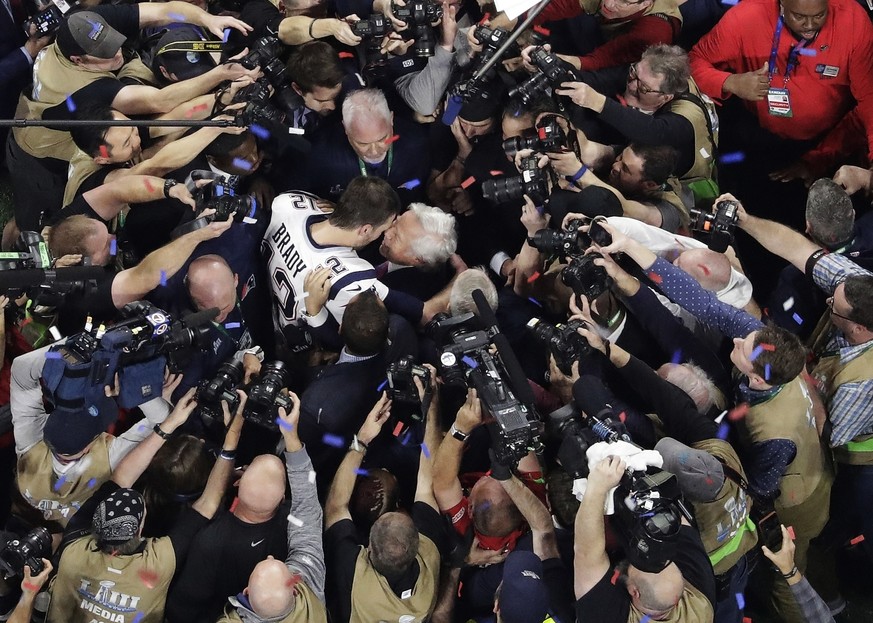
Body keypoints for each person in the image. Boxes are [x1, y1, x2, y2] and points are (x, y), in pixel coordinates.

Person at [596, 219, 832, 623]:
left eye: (742, 348)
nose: (736, 340)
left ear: (757, 379)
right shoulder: (763, 343)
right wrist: (630, 248)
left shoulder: (775, 435)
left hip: (800, 496)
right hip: (792, 448)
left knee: (786, 571)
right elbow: (703, 303)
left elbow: (755, 487)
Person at [6, 5, 255, 230]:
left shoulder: (84, 25)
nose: (116, 52)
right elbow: (161, 112)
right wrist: (220, 78)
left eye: (132, 131)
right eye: (104, 52)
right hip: (36, 151)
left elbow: (164, 11)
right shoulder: (96, 170)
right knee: (32, 225)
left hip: (64, 120)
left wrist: (220, 97)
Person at [728, 193, 873, 567]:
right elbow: (798, 248)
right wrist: (744, 218)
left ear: (857, 326)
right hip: (826, 382)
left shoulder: (862, 383)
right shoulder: (857, 286)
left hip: (858, 456)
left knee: (845, 513)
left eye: (834, 308)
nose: (827, 302)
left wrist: (800, 378)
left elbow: (831, 434)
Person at [47, 388, 244, 623]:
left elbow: (120, 479)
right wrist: (232, 436)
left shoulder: (75, 548)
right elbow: (210, 502)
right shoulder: (158, 565)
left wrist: (168, 425)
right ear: (141, 528)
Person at [688, 0, 873, 177]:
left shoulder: (853, 21)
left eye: (819, 15)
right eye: (799, 16)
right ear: (782, 3)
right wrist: (731, 82)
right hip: (757, 136)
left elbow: (869, 100)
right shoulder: (746, 17)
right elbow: (694, 61)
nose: (809, 25)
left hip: (830, 138)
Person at [9, 346, 176, 534]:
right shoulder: (108, 459)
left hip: (59, 530)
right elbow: (163, 420)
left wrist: (71, 348)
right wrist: (129, 383)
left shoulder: (30, 443)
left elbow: (21, 369)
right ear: (89, 445)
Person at [323, 390, 450, 623]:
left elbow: (335, 506)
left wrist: (362, 440)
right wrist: (431, 406)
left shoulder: (350, 575)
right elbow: (426, 482)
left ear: (367, 547)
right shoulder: (430, 556)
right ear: (417, 545)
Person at [555, 44, 718, 192]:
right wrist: (554, 67)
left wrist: (597, 102)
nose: (632, 86)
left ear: (665, 98)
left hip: (670, 176)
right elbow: (598, 80)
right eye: (633, 73)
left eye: (643, 88)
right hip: (636, 143)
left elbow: (653, 132)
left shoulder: (683, 123)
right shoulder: (644, 74)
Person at [573, 455, 717, 622]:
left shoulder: (608, 617)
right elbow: (675, 521)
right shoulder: (699, 603)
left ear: (635, 591)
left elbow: (586, 554)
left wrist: (597, 487)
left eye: (642, 560)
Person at [284, 88, 430, 205]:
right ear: (345, 129)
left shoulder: (416, 143)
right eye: (363, 143)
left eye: (382, 139)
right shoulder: (319, 155)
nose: (374, 151)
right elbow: (291, 196)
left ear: (391, 119)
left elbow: (420, 182)